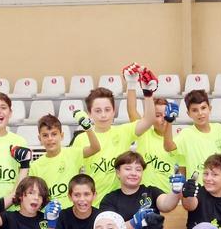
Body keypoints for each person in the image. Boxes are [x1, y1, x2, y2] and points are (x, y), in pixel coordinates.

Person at [83, 69, 164, 204]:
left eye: (107, 110)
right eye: (98, 111)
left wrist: (147, 93)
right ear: (89, 113)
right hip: (94, 206)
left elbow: (149, 119)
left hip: (122, 204)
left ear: (114, 111)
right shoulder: (81, 139)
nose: (103, 115)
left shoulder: (124, 131)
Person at [124, 67, 180, 192]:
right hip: (142, 196)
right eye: (157, 115)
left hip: (165, 199)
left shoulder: (177, 142)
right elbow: (131, 110)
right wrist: (131, 84)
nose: (162, 119)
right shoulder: (144, 134)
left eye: (165, 115)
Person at [28, 112, 100, 204]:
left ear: (61, 136)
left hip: (73, 213)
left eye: (54, 134)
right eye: (45, 135)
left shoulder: (73, 153)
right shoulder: (35, 166)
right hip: (49, 215)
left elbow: (95, 148)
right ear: (39, 139)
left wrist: (88, 128)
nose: (50, 138)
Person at [175, 89, 221, 178]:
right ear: (188, 114)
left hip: (217, 187)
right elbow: (179, 163)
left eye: (203, 108)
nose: (200, 113)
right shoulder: (185, 134)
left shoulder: (219, 128)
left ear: (210, 108)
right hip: (195, 189)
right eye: (195, 110)